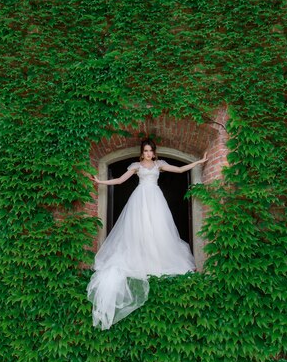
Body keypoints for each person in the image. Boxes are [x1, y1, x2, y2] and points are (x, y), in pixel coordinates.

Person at [87, 138, 208, 330]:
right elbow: (120, 180)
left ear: (154, 152)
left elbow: (179, 170)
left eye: (151, 150)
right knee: (139, 230)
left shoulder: (159, 164)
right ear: (141, 152)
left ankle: (157, 261)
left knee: (158, 229)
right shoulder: (136, 166)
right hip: (140, 199)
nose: (149, 153)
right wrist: (100, 180)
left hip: (155, 198)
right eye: (146, 150)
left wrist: (199, 163)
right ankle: (141, 260)